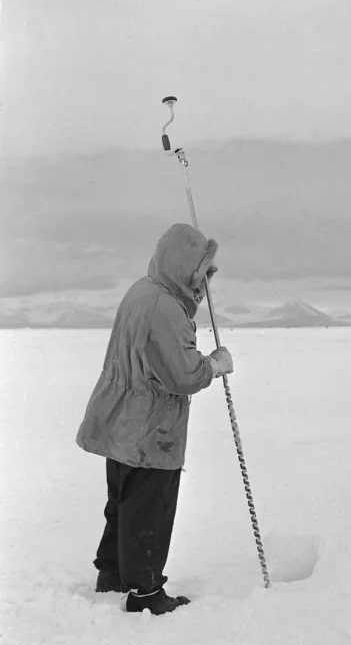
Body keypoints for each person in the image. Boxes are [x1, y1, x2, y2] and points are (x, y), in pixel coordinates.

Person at [76, 223, 234, 615]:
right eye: (201, 274)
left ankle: (112, 575)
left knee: (124, 504)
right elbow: (182, 376)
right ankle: (146, 593)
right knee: (149, 510)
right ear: (184, 267)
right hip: (151, 430)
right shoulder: (164, 307)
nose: (203, 285)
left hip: (122, 422)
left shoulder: (143, 291)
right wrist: (214, 365)